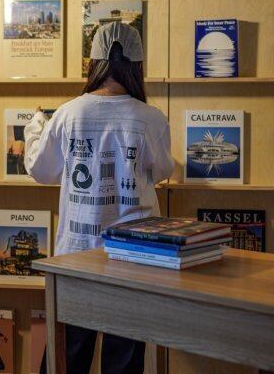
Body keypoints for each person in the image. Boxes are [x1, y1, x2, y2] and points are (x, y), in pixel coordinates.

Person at [24, 21, 174, 374]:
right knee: (124, 361)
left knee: (68, 356)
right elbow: (162, 170)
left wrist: (35, 127)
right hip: (135, 257)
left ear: (93, 63)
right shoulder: (151, 118)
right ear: (137, 65)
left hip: (77, 256)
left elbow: (41, 170)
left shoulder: (68, 113)